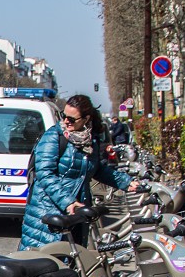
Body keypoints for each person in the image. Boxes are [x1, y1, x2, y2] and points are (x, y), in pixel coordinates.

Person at [19, 94, 137, 250]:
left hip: (77, 211)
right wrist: (67, 202)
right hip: (48, 210)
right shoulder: (54, 136)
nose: (66, 121)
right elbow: (45, 174)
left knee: (73, 260)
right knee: (42, 261)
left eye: (72, 119)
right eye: (63, 116)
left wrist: (126, 183)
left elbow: (97, 169)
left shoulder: (90, 141)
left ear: (86, 119)